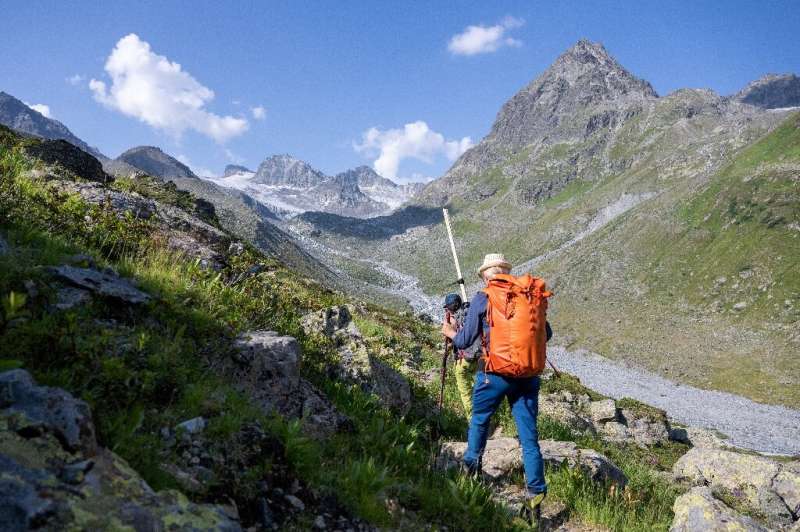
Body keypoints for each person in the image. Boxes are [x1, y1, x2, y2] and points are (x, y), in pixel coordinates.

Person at [442, 253, 551, 524]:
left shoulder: (484, 297)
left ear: (485, 275)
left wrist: (449, 332)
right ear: (506, 271)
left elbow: (466, 341)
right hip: (527, 376)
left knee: (479, 422)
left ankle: (470, 473)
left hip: (493, 373)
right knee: (529, 439)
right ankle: (535, 499)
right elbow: (546, 334)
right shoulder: (527, 295)